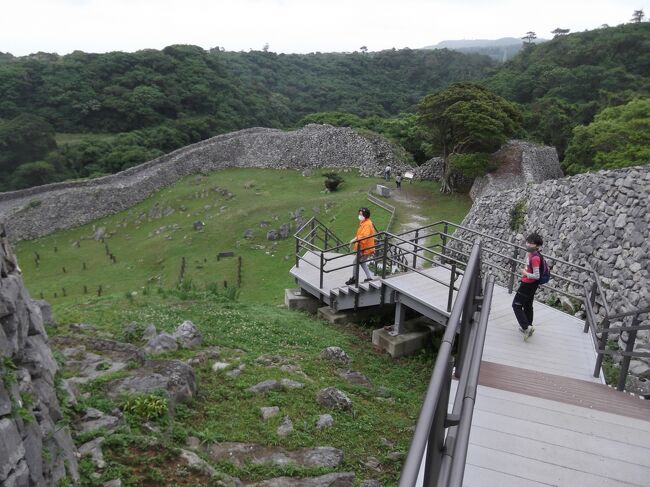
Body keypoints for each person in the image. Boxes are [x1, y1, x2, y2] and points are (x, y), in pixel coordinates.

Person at [512, 233, 544, 340]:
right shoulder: (534, 254)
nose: (528, 245)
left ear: (537, 246)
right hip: (531, 285)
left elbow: (536, 276)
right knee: (528, 305)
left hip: (527, 285)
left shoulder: (535, 258)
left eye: (531, 243)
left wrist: (525, 273)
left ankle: (526, 327)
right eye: (528, 242)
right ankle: (529, 325)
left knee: (516, 305)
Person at [346, 207, 376, 286]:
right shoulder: (364, 222)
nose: (359, 216)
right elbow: (361, 235)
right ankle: (368, 277)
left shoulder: (367, 224)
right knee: (362, 262)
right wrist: (355, 239)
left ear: (365, 215)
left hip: (364, 248)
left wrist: (355, 240)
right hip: (365, 247)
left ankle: (354, 279)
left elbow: (364, 236)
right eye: (359, 214)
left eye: (361, 214)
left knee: (355, 262)